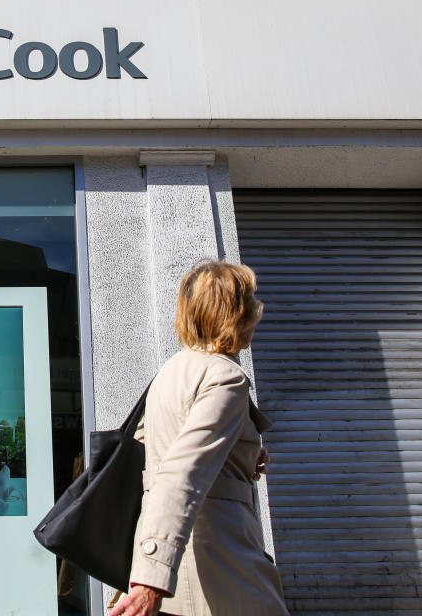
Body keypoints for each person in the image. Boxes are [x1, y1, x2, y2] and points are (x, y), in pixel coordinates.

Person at [110, 260, 289, 616]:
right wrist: (152, 579)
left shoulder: (171, 371)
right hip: (218, 561)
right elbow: (182, 472)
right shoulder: (226, 378)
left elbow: (153, 449)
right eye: (251, 303)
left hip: (184, 559)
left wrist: (242, 452)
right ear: (237, 314)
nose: (258, 311)